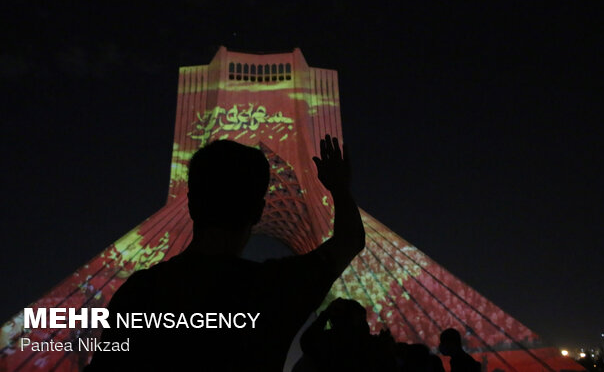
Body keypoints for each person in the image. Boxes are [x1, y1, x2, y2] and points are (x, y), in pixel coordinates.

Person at [85, 135, 365, 371]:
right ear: (258, 211)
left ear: (192, 205)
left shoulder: (139, 292)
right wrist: (339, 187)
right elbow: (350, 239)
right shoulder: (274, 288)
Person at [294, 298, 396, 372]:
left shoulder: (328, 340)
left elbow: (307, 342)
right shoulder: (340, 342)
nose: (364, 324)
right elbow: (307, 342)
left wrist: (326, 314)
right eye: (360, 319)